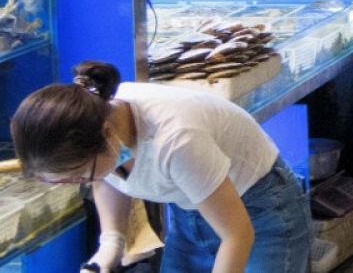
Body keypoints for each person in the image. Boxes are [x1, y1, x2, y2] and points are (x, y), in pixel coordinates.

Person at [10, 60, 311, 273]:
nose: (80, 181)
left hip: (259, 209)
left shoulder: (176, 140)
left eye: (78, 175)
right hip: (191, 207)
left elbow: (238, 234)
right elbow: (106, 176)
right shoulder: (98, 125)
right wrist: (111, 242)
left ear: (106, 135)